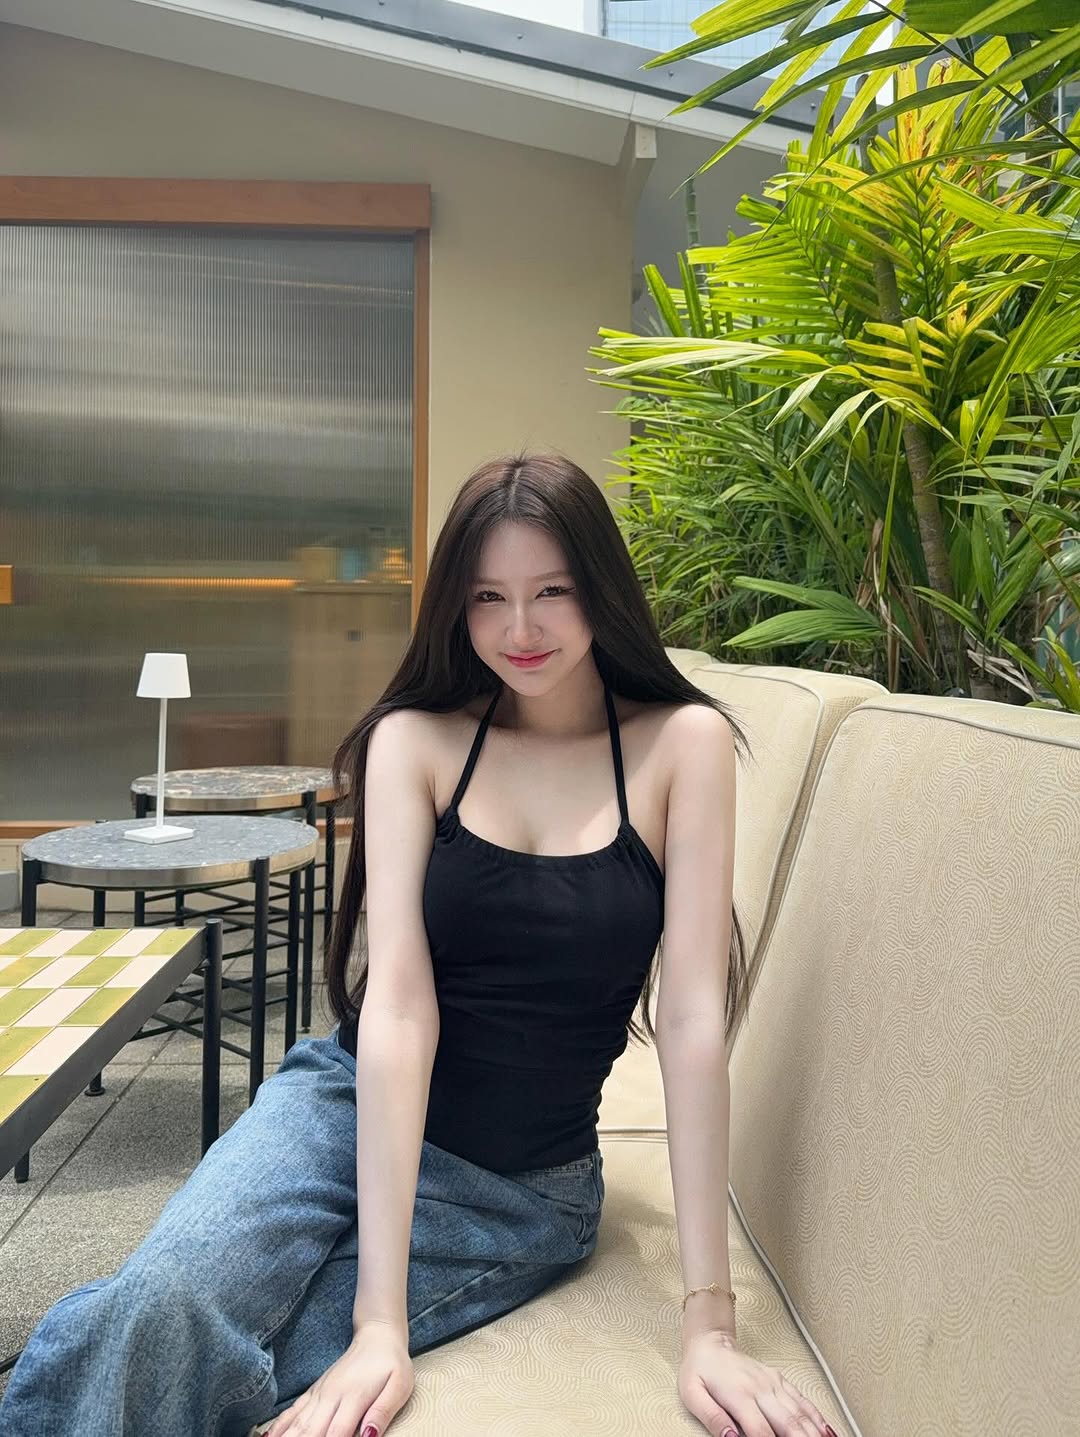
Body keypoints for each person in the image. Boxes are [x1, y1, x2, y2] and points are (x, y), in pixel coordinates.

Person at [0, 454, 836, 1437]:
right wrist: (379, 1325)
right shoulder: (418, 741)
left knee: (217, 1355)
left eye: (552, 592)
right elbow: (398, 1006)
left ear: (602, 589)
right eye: (488, 597)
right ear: (455, 606)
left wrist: (710, 1327)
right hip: (339, 1108)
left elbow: (692, 1020)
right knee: (161, 1305)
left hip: (516, 1190)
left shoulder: (681, 744)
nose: (520, 630)